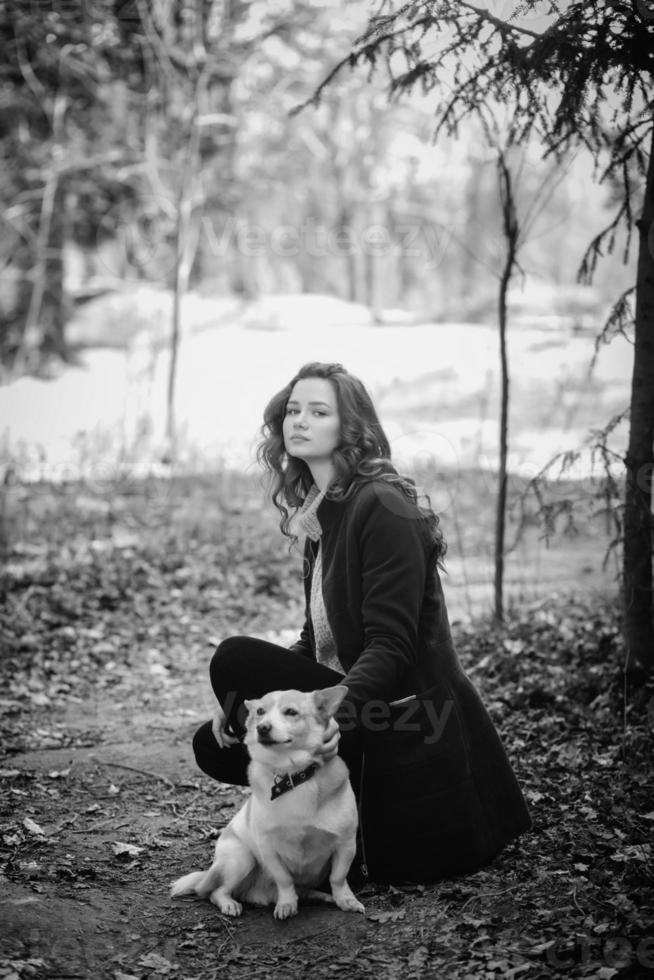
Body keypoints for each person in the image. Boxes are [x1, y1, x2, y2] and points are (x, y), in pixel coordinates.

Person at [193, 361, 531, 884]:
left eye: (318, 411)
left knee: (233, 657)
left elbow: (393, 647)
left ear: (351, 429)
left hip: (408, 713)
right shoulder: (321, 513)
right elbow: (315, 642)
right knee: (214, 740)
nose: (298, 420)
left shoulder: (384, 505)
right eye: (293, 410)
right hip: (360, 703)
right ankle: (309, 816)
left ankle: (324, 808)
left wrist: (332, 716)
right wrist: (253, 702)